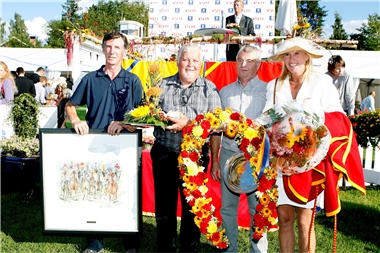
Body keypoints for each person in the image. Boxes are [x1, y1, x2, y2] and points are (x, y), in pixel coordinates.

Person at [65, 30, 143, 253]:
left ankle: (130, 243)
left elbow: (145, 116)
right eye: (108, 46)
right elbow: (70, 106)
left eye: (117, 47)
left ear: (124, 51)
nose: (112, 51)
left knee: (129, 193)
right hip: (95, 147)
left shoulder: (133, 81)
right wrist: (76, 120)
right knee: (95, 192)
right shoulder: (90, 79)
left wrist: (127, 124)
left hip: (126, 148)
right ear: (103, 49)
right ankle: (95, 241)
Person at [264, 37, 344, 253]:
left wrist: (310, 123)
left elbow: (338, 117)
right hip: (281, 163)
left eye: (297, 53)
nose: (292, 59)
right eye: (287, 54)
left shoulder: (322, 83)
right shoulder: (273, 86)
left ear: (307, 57)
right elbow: (266, 121)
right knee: (285, 219)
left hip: (310, 164)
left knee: (305, 222)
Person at [150, 44, 222, 252]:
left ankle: (190, 249)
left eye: (195, 61)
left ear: (201, 64)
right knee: (164, 208)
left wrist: (188, 125)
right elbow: (149, 113)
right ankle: (166, 248)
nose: (190, 64)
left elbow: (216, 126)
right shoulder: (161, 85)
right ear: (177, 61)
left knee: (193, 207)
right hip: (165, 152)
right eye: (186, 59)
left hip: (196, 158)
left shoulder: (210, 88)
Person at [211, 45, 268, 252]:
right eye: (240, 60)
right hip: (228, 154)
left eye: (249, 61)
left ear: (258, 65)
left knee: (258, 208)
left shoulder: (268, 91)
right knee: (227, 208)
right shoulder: (225, 92)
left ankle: (258, 250)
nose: (243, 65)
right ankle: (229, 250)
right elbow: (215, 129)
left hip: (256, 158)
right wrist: (216, 160)